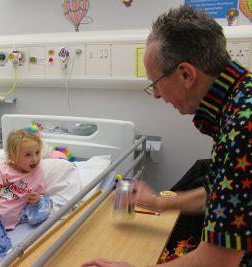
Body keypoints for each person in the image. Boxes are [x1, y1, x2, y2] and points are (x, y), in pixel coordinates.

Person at [83, 5, 251, 267]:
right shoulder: (240, 99)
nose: (158, 95)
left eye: (156, 83)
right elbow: (225, 196)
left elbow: (218, 261)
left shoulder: (242, 129)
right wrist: (159, 203)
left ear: (186, 74)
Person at [0, 129, 50, 230]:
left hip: (7, 220)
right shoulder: (2, 169)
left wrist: (36, 199)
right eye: (28, 155)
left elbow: (39, 195)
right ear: (12, 157)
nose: (35, 158)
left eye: (37, 152)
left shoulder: (38, 173)